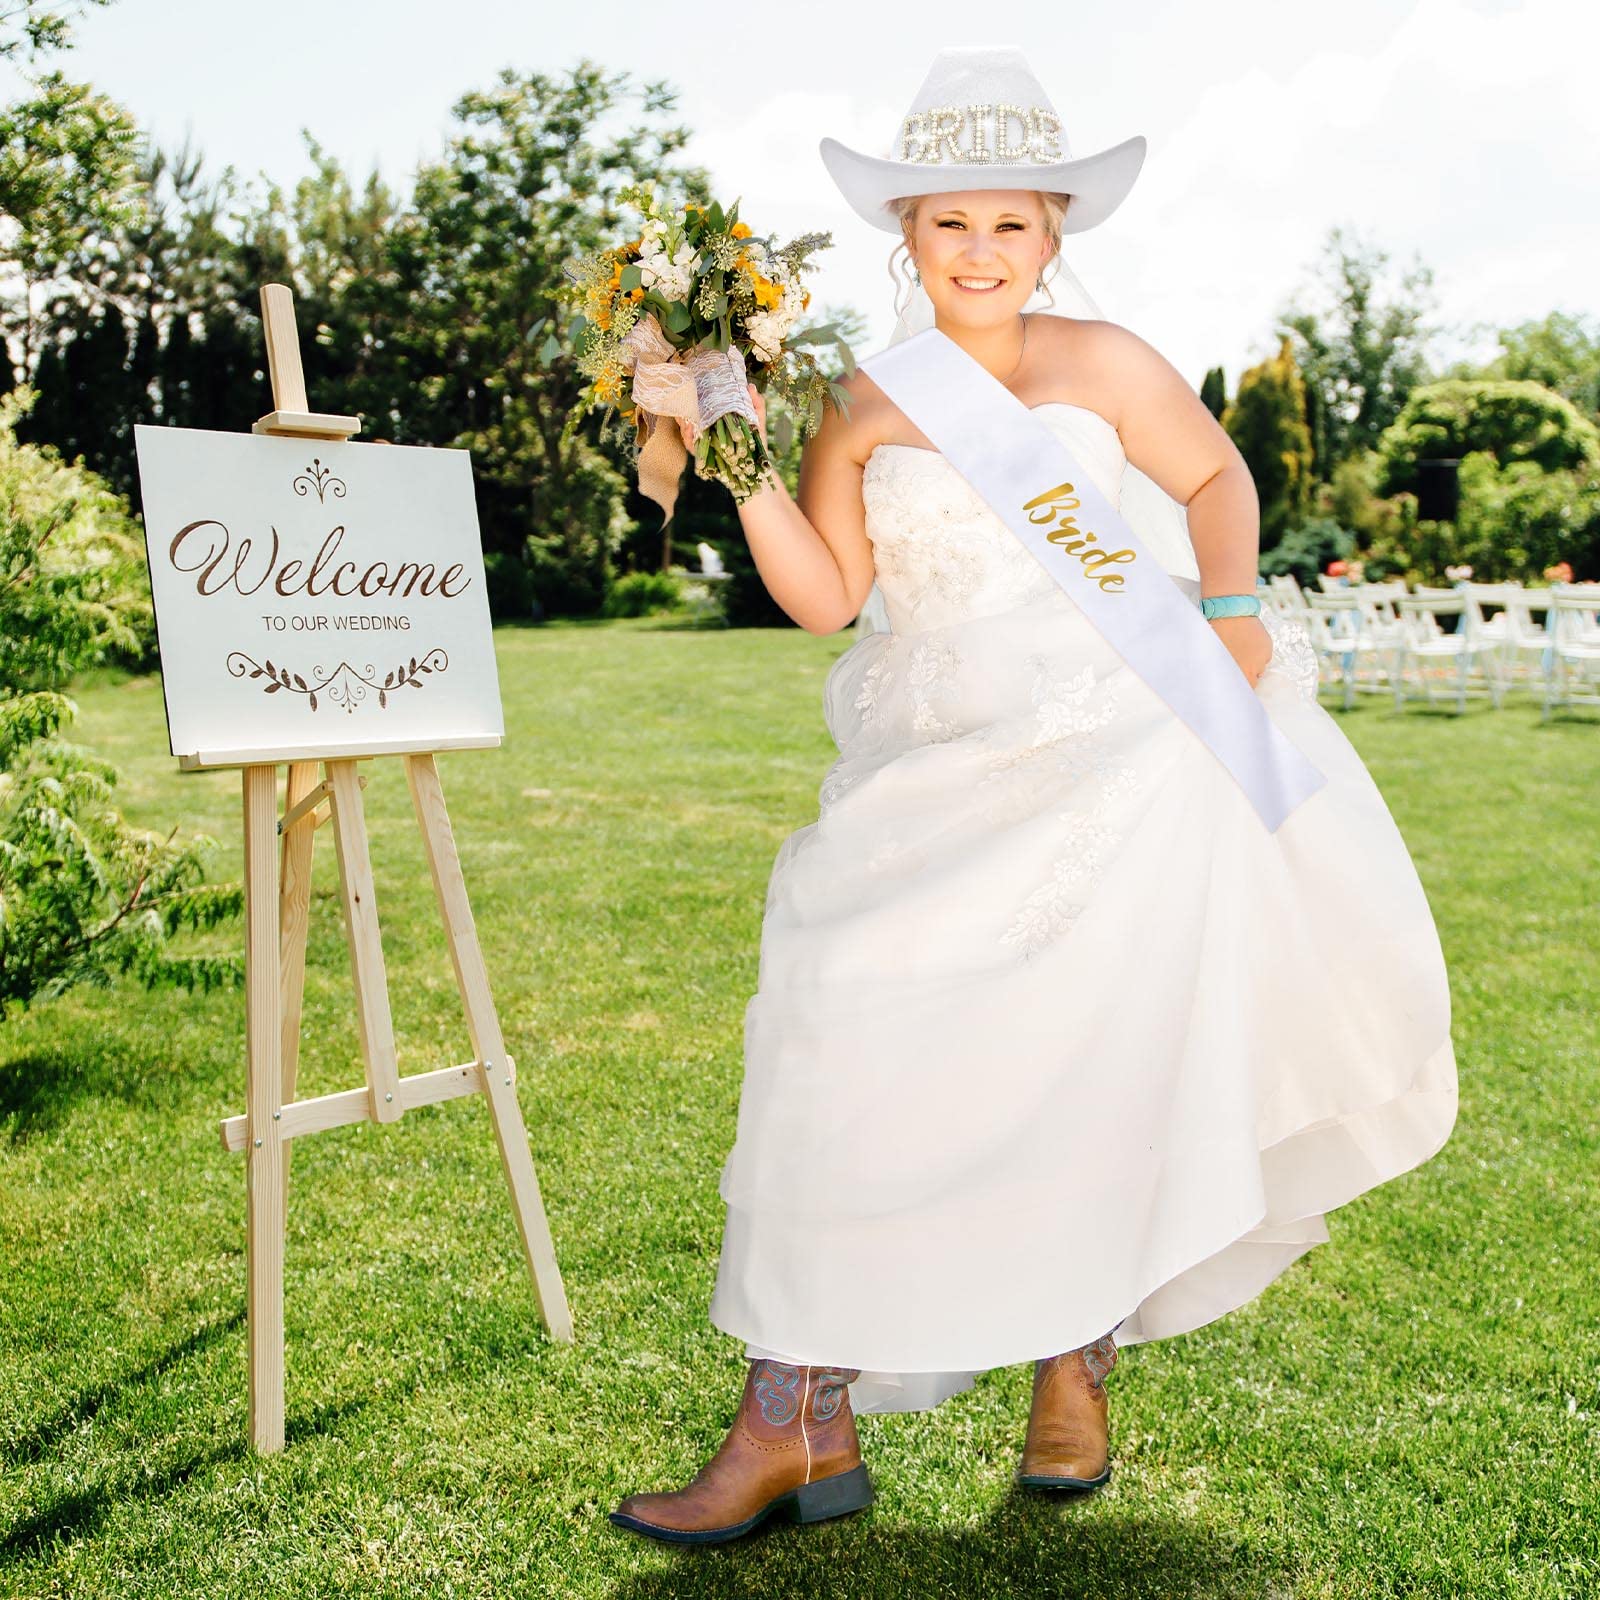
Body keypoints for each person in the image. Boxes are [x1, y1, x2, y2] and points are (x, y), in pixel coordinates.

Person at [610, 44, 1458, 1546]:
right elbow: (822, 597)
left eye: (1011, 226)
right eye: (950, 225)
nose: (981, 253)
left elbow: (1214, 484)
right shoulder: (860, 397)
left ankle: (1076, 1362)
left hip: (1110, 753)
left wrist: (1232, 605)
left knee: (1090, 1066)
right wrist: (731, 450)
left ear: (1053, 235)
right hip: (921, 771)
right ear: (908, 238)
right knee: (835, 1043)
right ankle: (795, 1421)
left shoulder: (1107, 361)